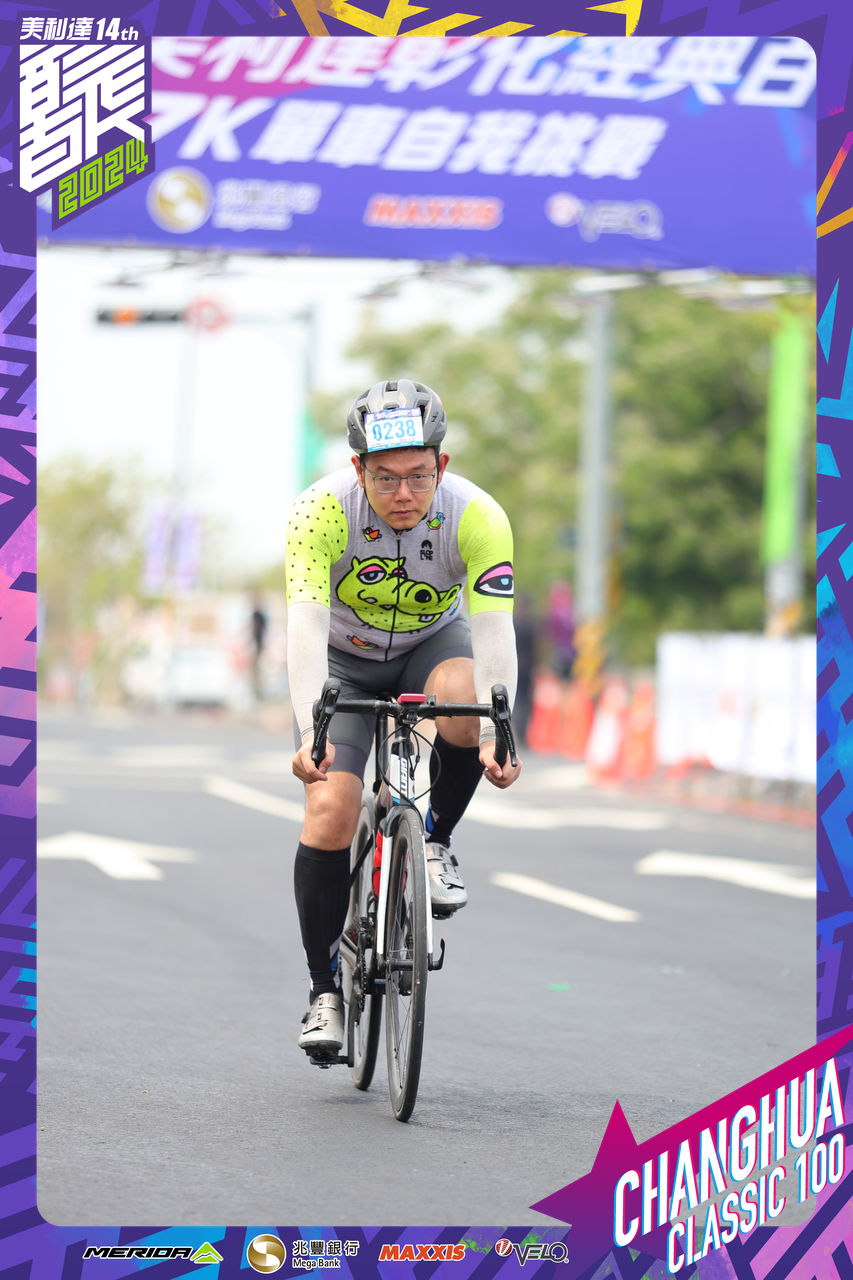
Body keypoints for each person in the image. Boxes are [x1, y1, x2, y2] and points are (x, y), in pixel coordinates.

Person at [285, 378, 521, 1055]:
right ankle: (325, 992)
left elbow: (493, 629)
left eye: (419, 476)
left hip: (431, 648)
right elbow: (304, 627)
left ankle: (435, 839)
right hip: (342, 660)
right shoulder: (319, 511)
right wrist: (312, 731)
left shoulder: (477, 515)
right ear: (357, 468)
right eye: (384, 479)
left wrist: (498, 730)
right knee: (329, 809)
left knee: (464, 701)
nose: (403, 494)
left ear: (441, 465)